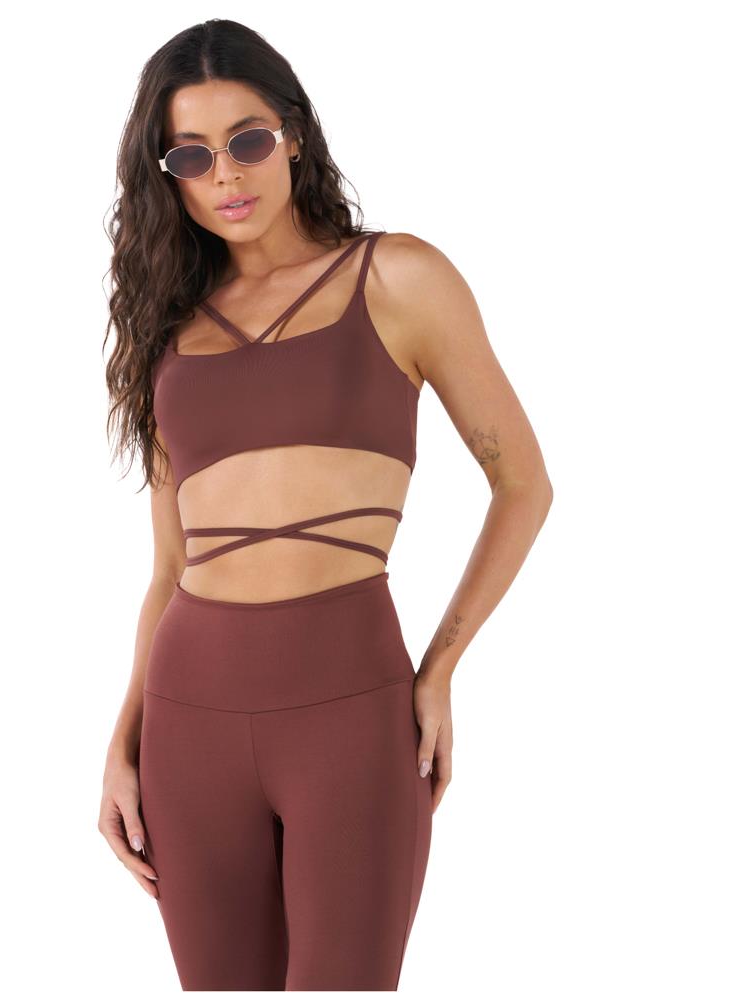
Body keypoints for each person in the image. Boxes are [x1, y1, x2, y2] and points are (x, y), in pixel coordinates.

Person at [98, 18, 553, 991]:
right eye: (192, 155)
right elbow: (169, 569)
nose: (227, 174)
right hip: (187, 722)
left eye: (247, 139)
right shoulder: (170, 333)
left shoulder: (398, 278)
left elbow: (523, 483)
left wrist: (439, 669)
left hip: (351, 713)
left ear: (294, 134)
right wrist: (121, 743)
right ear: (168, 175)